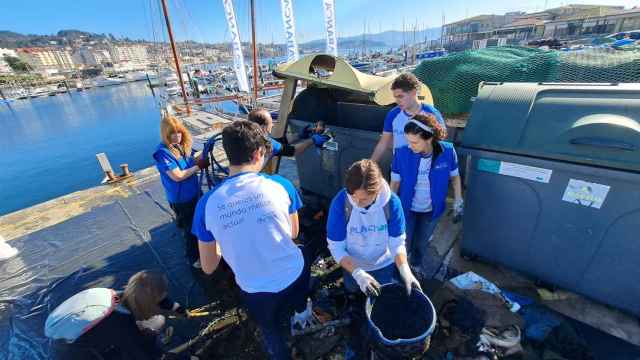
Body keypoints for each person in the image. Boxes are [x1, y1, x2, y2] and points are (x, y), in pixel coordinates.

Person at [192, 120, 315, 360]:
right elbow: (292, 233)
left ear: (228, 154)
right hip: (293, 273)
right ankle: (303, 319)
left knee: (271, 330)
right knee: (298, 302)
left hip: (255, 287)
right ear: (259, 152)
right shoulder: (282, 185)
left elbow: (208, 266)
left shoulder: (206, 204)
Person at [326, 159, 421, 297]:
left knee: (380, 295)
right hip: (351, 264)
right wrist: (358, 274)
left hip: (383, 264)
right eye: (353, 196)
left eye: (363, 199)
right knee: (352, 290)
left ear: (377, 192)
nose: (357, 203)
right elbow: (336, 246)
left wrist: (405, 269)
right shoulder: (340, 203)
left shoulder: (392, 204)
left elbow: (397, 242)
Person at [45, 271, 185, 360]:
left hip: (62, 336)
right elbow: (142, 355)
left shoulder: (120, 295)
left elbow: (158, 298)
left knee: (153, 324)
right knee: (155, 325)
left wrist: (179, 309)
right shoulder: (120, 325)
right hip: (71, 354)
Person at [390, 113, 463, 269]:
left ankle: (416, 266)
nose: (410, 145)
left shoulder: (447, 152)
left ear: (429, 138)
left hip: (431, 210)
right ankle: (399, 272)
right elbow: (395, 183)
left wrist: (458, 200)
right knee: (403, 242)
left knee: (422, 242)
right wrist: (389, 207)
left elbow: (455, 177)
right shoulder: (401, 153)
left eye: (415, 142)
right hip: (407, 208)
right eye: (408, 141)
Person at [153, 115, 208, 268]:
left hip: (195, 192)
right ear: (166, 134)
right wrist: (199, 166)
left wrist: (201, 157)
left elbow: (188, 163)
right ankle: (194, 258)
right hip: (182, 199)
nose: (177, 135)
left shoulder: (181, 147)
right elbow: (177, 176)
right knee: (191, 230)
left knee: (200, 221)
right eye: (172, 133)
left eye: (179, 132)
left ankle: (202, 246)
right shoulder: (162, 153)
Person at [370, 72, 446, 163]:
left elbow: (441, 144)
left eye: (400, 96)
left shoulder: (431, 113)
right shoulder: (393, 114)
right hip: (398, 168)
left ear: (413, 92)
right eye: (395, 97)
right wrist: (370, 165)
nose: (397, 101)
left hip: (424, 171)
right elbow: (383, 143)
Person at [248, 108, 330, 158]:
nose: (272, 125)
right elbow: (291, 151)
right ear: (262, 127)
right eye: (270, 122)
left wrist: (299, 135)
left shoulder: (250, 137)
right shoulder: (263, 142)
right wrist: (313, 140)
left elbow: (280, 141)